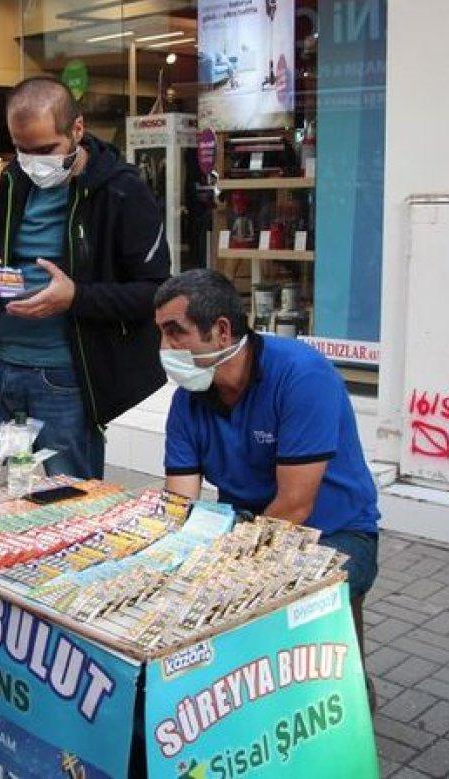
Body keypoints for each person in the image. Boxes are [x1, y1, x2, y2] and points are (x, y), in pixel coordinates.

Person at [155, 270, 381, 694]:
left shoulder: (301, 374)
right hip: (246, 526)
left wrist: (225, 568)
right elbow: (180, 504)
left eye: (175, 332)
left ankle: (349, 700)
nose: (165, 348)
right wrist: (168, 557)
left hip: (334, 531)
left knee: (313, 654)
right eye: (162, 334)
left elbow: (295, 505)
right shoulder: (188, 400)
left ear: (221, 331)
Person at [0, 76, 171, 480]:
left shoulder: (121, 190)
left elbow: (156, 292)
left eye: (45, 150)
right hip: (1, 366)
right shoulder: (14, 179)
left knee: (70, 497)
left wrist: (76, 297)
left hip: (67, 375)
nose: (33, 162)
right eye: (22, 150)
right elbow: (3, 262)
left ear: (77, 129)